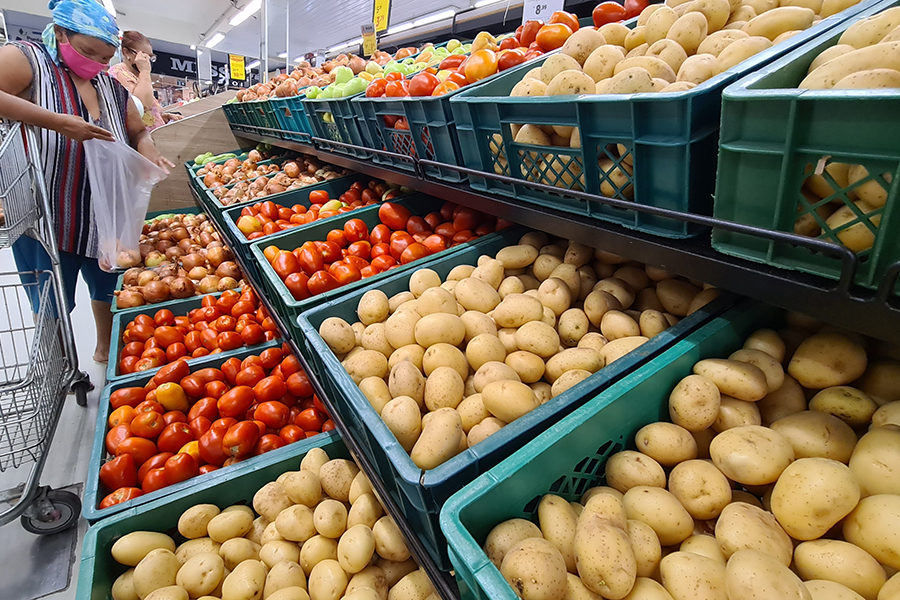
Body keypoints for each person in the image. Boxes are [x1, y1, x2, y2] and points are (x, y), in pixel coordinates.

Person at [0, 0, 175, 363]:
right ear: (62, 34)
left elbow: (138, 131)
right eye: (87, 52)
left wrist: (149, 151)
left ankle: (103, 351)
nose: (96, 63)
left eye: (104, 56)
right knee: (50, 297)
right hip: (47, 211)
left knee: (108, 287)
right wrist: (59, 122)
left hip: (105, 213)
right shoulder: (28, 60)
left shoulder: (110, 88)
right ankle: (61, 362)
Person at [108, 30, 181, 130]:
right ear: (126, 52)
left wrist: (162, 118)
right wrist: (145, 71)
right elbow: (142, 105)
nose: (147, 61)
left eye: (150, 57)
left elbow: (145, 114)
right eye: (143, 56)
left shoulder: (139, 76)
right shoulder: (118, 72)